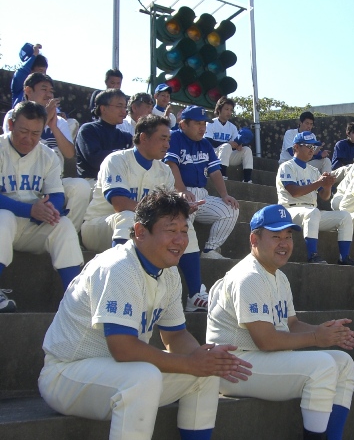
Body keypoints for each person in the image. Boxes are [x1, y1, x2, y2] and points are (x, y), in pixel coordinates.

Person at [39, 189, 252, 440]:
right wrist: (189, 363)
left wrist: (204, 358)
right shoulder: (118, 266)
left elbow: (175, 337)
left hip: (115, 372)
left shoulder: (169, 272)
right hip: (67, 373)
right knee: (143, 377)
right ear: (140, 231)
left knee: (204, 375)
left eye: (184, 231)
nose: (180, 239)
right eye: (170, 229)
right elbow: (124, 349)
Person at [206, 204, 354, 440]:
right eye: (275, 236)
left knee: (343, 363)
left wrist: (324, 331)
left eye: (288, 236)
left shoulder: (277, 275)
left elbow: (291, 325)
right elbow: (266, 340)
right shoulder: (248, 276)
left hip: (258, 360)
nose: (284, 243)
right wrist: (316, 339)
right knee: (323, 366)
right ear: (254, 239)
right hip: (234, 366)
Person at [81, 114, 211, 312]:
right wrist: (166, 213)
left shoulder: (164, 170)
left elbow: (167, 213)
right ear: (143, 137)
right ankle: (120, 288)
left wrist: (181, 210)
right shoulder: (116, 160)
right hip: (100, 227)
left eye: (169, 139)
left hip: (141, 230)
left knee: (183, 226)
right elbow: (119, 203)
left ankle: (194, 294)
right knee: (129, 218)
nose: (168, 145)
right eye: (162, 138)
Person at [0, 101, 83, 312]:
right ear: (10, 124)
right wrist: (30, 210)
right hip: (6, 222)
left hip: (30, 225)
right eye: (23, 131)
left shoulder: (47, 155)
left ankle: (74, 301)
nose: (29, 138)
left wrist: (50, 210)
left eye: (35, 133)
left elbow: (56, 193)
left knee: (63, 226)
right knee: (4, 217)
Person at [3, 73, 91, 232]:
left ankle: (65, 231)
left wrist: (53, 126)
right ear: (28, 91)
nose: (49, 94)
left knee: (81, 187)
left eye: (51, 91)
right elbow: (20, 145)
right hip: (22, 180)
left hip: (53, 180)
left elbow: (69, 154)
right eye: (44, 89)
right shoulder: (14, 115)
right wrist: (42, 122)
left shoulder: (61, 121)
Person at [164, 106, 239, 261]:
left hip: (200, 194)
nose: (202, 128)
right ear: (184, 125)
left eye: (204, 124)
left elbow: (215, 171)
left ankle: (210, 250)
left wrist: (224, 195)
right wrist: (182, 190)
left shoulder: (205, 144)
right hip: (177, 194)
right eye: (198, 123)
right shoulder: (175, 138)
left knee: (230, 209)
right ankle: (181, 253)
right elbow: (171, 165)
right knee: (189, 200)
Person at [276, 131, 354, 265]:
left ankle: (344, 258)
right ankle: (312, 255)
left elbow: (325, 197)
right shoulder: (286, 166)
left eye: (314, 147)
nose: (311, 150)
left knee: (345, 217)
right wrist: (320, 182)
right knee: (312, 212)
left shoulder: (313, 171)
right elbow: (294, 192)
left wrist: (328, 185)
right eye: (308, 146)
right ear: (296, 147)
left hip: (310, 213)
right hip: (289, 211)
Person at [76, 89, 133, 182]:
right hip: (93, 181)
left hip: (120, 182)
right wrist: (125, 154)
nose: (124, 111)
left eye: (125, 107)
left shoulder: (126, 136)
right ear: (103, 108)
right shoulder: (88, 130)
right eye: (119, 106)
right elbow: (95, 159)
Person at [204, 96, 253, 182]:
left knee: (247, 150)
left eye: (231, 110)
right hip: (213, 155)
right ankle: (222, 175)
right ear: (219, 109)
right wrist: (228, 144)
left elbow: (234, 142)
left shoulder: (232, 127)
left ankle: (247, 179)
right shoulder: (210, 123)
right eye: (226, 109)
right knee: (226, 146)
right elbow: (208, 141)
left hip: (227, 156)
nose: (229, 112)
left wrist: (239, 145)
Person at [11, 42, 48, 107]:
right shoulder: (20, 84)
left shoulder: (45, 89)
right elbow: (22, 72)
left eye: (45, 71)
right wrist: (34, 55)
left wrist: (59, 113)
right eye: (40, 71)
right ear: (30, 71)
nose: (43, 74)